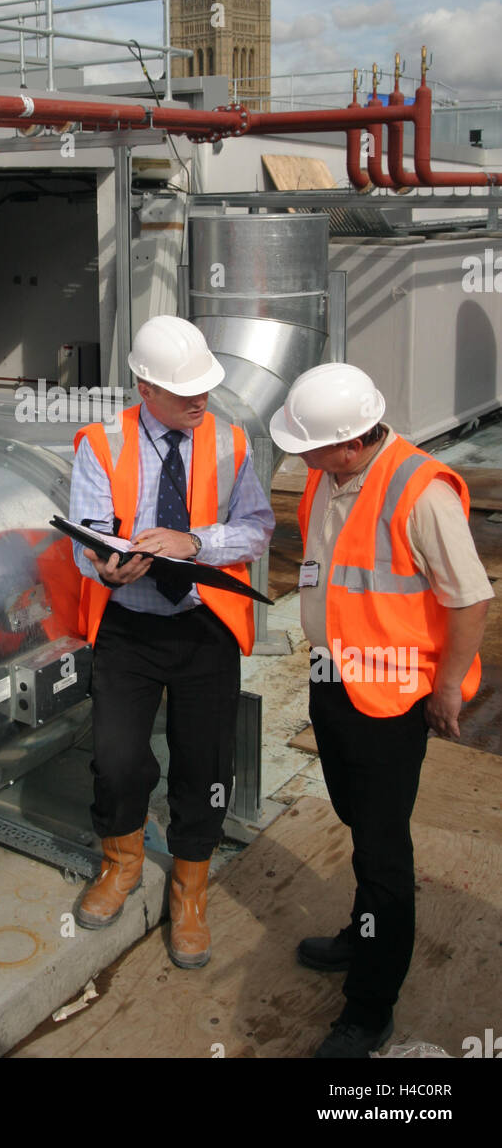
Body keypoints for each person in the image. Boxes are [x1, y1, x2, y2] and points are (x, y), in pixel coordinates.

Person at [269, 362, 492, 1058]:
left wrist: (449, 686)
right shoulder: (326, 474)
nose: (298, 457)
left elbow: (470, 597)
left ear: (349, 443)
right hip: (332, 679)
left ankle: (370, 1008)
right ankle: (360, 930)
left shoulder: (421, 493)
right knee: (353, 816)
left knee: (383, 852)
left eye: (308, 445)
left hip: (392, 698)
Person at [68, 315, 274, 968]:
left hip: (203, 625)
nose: (200, 401)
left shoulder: (231, 441)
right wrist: (105, 561)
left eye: (205, 389)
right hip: (128, 626)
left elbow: (258, 528)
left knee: (205, 765)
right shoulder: (101, 442)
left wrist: (196, 543)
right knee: (118, 759)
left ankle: (189, 889)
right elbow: (88, 531)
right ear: (142, 386)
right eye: (185, 391)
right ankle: (121, 863)